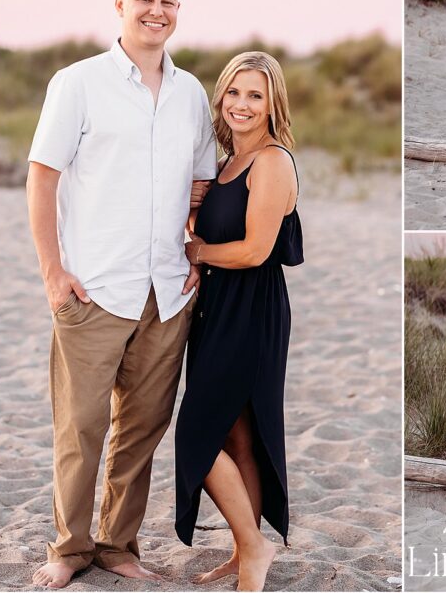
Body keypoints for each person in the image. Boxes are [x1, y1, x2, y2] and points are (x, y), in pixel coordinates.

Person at [26, 0, 217, 588]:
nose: (156, 11)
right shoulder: (77, 83)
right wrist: (54, 273)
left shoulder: (191, 92)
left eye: (168, 1)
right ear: (120, 3)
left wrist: (193, 247)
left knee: (141, 429)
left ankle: (116, 543)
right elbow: (43, 176)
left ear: (178, 11)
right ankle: (68, 548)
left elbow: (201, 181)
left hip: (166, 292)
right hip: (94, 288)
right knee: (80, 428)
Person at [174, 51, 302, 591]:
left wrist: (198, 253)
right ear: (220, 97)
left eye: (255, 95)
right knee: (237, 437)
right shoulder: (226, 161)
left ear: (273, 102)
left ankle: (255, 548)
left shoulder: (272, 161)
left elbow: (252, 251)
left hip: (252, 311)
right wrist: (196, 218)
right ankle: (243, 552)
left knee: (195, 436)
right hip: (218, 307)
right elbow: (213, 226)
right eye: (234, 93)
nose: (242, 105)